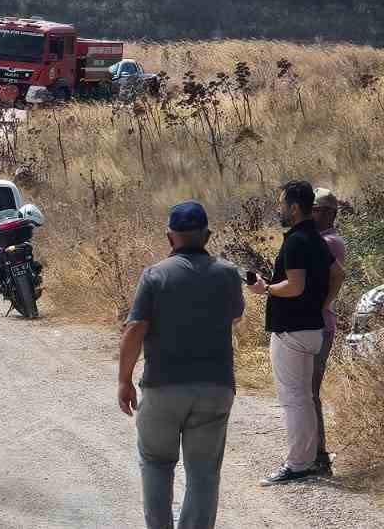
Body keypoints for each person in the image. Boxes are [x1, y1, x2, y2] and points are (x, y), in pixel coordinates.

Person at [118, 201, 244, 529]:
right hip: (215, 388)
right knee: (204, 471)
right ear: (208, 235)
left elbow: (134, 330)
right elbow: (235, 316)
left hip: (163, 388)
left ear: (169, 237)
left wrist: (124, 380)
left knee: (157, 463)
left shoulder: (155, 275)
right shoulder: (229, 274)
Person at [250, 180, 339, 486]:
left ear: (295, 207)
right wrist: (323, 304)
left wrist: (265, 289)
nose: (280, 209)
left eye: (282, 204)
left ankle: (299, 464)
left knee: (294, 399)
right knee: (303, 397)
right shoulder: (316, 238)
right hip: (311, 327)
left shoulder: (296, 241)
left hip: (292, 329)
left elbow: (294, 286)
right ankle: (310, 458)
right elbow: (337, 273)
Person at [311, 187, 347, 476]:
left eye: (314, 209)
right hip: (317, 326)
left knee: (309, 392)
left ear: (327, 212)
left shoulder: (329, 243)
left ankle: (319, 456)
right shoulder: (320, 240)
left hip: (320, 326)